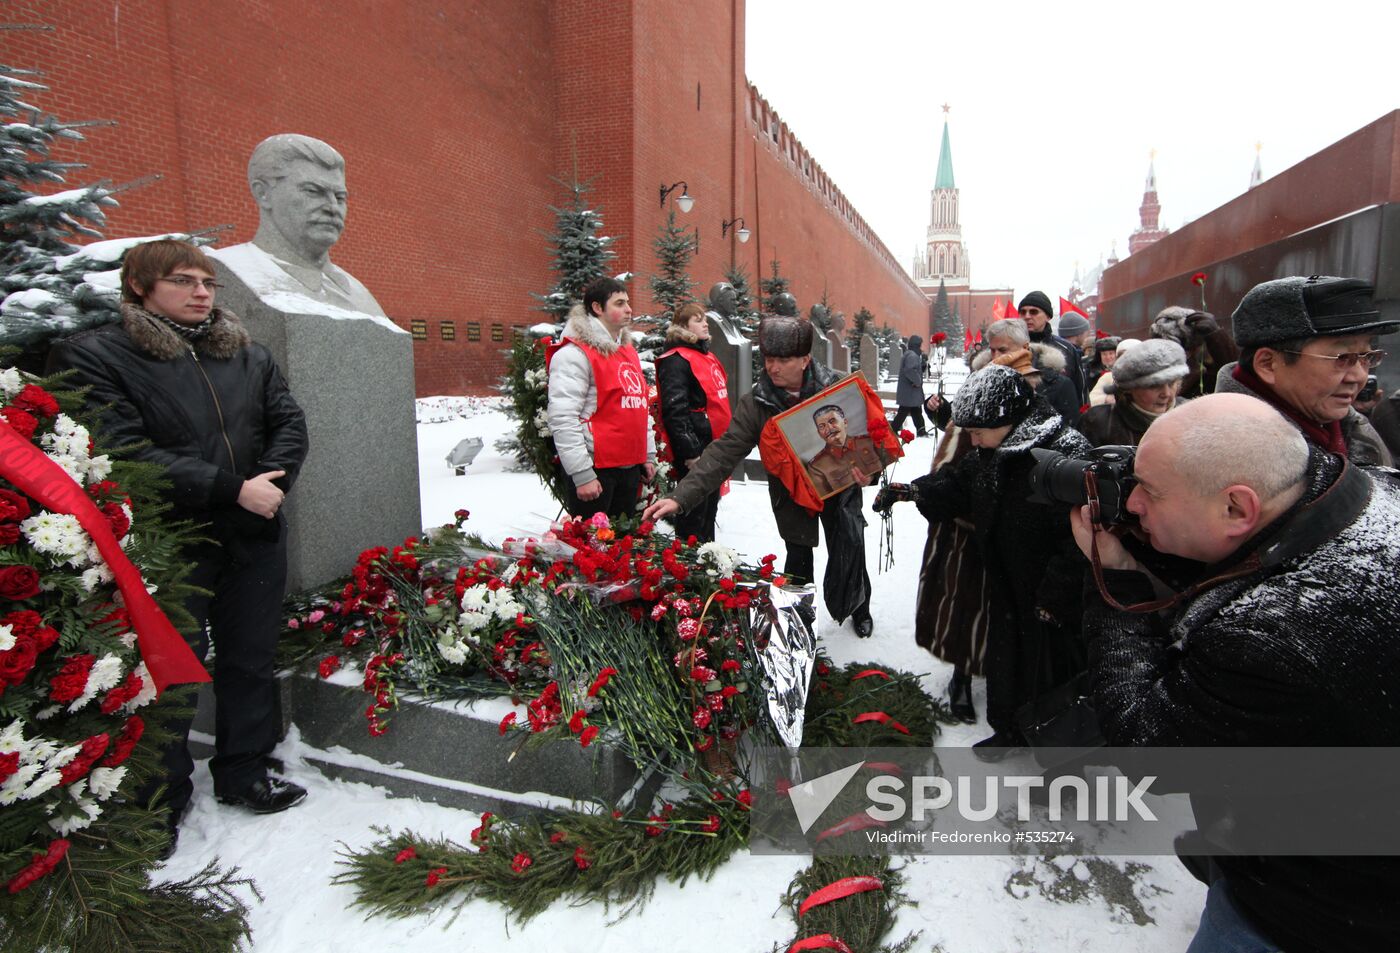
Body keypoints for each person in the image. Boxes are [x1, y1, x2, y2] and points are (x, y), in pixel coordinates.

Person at [1070, 393, 1400, 953]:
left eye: (1148, 491)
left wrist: (1117, 579)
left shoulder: (1271, 635)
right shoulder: (1374, 488)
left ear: (1237, 508)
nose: (1135, 507)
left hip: (1316, 909)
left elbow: (1146, 746)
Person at [47, 239, 311, 848]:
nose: (200, 292)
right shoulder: (95, 354)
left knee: (250, 658)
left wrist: (270, 483)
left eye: (208, 282)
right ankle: (158, 799)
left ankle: (245, 769)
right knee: (170, 669)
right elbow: (122, 448)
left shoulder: (246, 353)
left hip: (253, 530)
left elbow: (287, 421)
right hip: (167, 538)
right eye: (182, 280)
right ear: (139, 287)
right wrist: (230, 487)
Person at [878, 365, 1091, 754]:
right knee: (1007, 660)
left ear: (1008, 419)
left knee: (1051, 676)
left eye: (977, 432)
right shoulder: (992, 450)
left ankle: (1060, 761)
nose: (972, 441)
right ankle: (1009, 731)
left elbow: (1080, 538)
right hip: (1007, 578)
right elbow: (959, 484)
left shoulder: (1064, 452)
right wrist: (911, 491)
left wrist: (1056, 596)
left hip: (1049, 591)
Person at [643, 317, 875, 638]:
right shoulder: (758, 402)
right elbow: (724, 451)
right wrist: (680, 496)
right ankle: (799, 620)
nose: (773, 368)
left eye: (783, 360)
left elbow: (868, 441)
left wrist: (869, 473)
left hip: (838, 490)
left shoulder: (836, 387)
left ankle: (860, 608)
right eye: (769, 359)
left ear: (805, 360)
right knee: (797, 557)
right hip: (792, 494)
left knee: (850, 548)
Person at [1215, 275, 1395, 466]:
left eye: (1367, 357)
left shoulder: (1357, 430)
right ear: (1268, 364)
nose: (1359, 377)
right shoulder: (1224, 452)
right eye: (1342, 358)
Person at [210, 134, 386, 317]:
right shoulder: (228, 271)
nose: (333, 208)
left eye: (340, 197)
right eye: (313, 191)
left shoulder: (360, 294)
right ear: (264, 193)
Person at [547, 277, 657, 519]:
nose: (629, 309)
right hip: (595, 470)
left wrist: (647, 454)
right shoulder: (574, 354)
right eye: (619, 303)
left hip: (628, 467)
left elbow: (639, 406)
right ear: (597, 308)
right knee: (592, 551)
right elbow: (564, 417)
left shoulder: (627, 352)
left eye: (627, 302)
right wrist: (582, 473)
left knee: (622, 548)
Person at [656, 302, 730, 541]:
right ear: (683, 327)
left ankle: (707, 561)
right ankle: (690, 568)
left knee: (709, 511)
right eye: (698, 320)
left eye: (704, 319)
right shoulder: (675, 360)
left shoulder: (704, 356)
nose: (705, 323)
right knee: (694, 517)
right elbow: (675, 410)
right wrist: (690, 452)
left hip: (711, 444)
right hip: (695, 449)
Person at [1077, 338, 1188, 447]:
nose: (1166, 394)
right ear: (1131, 388)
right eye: (1154, 386)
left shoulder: (1189, 413)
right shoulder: (1099, 422)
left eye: (1171, 384)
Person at [972, 317, 1080, 423]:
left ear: (1025, 347)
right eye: (992, 350)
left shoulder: (1059, 385)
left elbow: (1068, 430)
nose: (995, 357)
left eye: (1002, 350)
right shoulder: (979, 380)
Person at [1151, 305, 1238, 399]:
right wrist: (1215, 334)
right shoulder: (1147, 374)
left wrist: (1216, 335)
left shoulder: (1205, 379)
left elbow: (1233, 372)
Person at [1017, 291, 1087, 404]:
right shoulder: (1011, 348)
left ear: (1048, 316)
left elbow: (1081, 391)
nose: (1027, 316)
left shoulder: (1067, 349)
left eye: (1033, 312)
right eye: (1023, 312)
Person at [806, 404, 884, 496]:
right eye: (822, 426)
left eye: (832, 421)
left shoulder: (869, 442)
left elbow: (885, 461)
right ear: (819, 433)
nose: (829, 428)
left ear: (845, 422)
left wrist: (872, 478)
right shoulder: (817, 466)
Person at [891, 334, 928, 437]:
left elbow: (914, 368)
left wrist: (922, 367)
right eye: (919, 345)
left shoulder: (910, 354)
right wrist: (917, 381)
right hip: (910, 391)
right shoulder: (912, 355)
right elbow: (909, 370)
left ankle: (921, 431)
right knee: (903, 412)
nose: (920, 347)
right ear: (916, 345)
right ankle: (893, 429)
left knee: (916, 411)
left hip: (910, 392)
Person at [1088, 337, 1140, 407]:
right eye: (1104, 354)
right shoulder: (1108, 376)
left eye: (1111, 353)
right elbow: (1091, 398)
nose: (1108, 357)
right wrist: (1106, 399)